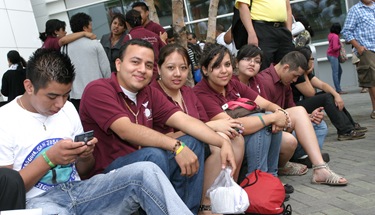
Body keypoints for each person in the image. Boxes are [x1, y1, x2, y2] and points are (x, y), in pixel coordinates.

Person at [0, 48, 193, 215]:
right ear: (29, 86)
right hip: (38, 203)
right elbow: (6, 192)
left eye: (66, 95)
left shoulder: (67, 109)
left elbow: (84, 170)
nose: (60, 104)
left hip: (79, 190)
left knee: (146, 171)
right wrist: (49, 159)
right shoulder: (5, 120)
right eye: (52, 96)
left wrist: (84, 156)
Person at [79, 39, 236, 214]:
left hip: (147, 161)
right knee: (154, 156)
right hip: (110, 176)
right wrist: (176, 147)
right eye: (135, 62)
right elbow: (126, 130)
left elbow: (185, 121)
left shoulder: (148, 93)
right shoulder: (98, 89)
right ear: (118, 63)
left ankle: (187, 210)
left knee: (193, 142)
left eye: (148, 65)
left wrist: (223, 143)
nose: (142, 70)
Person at [151, 44, 245, 213]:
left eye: (183, 68)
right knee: (218, 143)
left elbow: (202, 122)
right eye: (171, 68)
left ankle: (226, 195)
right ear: (158, 68)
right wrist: (211, 127)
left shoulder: (187, 92)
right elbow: (159, 137)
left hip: (196, 143)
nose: (178, 74)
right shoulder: (154, 94)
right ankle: (205, 205)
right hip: (169, 150)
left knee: (230, 137)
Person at [193, 43, 285, 179]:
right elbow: (231, 125)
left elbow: (265, 103)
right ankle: (257, 181)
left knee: (271, 120)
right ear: (205, 70)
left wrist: (280, 112)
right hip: (219, 141)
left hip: (238, 136)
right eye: (217, 66)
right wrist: (271, 118)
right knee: (264, 124)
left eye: (227, 65)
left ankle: (271, 180)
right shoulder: (201, 92)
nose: (224, 71)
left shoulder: (232, 83)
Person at [255, 50, 347, 185]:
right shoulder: (264, 80)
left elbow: (290, 109)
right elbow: (269, 116)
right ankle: (312, 165)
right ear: (286, 67)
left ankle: (313, 162)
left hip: (282, 126)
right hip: (269, 130)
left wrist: (309, 117)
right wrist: (295, 116)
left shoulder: (285, 82)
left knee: (320, 125)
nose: (295, 80)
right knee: (291, 137)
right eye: (295, 76)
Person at [234, 44, 308, 176]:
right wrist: (274, 117)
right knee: (267, 124)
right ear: (236, 62)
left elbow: (267, 105)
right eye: (247, 59)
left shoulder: (256, 81)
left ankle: (273, 176)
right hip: (241, 129)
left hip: (260, 124)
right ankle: (260, 179)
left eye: (257, 61)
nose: (252, 64)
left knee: (315, 124)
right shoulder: (232, 83)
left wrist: (279, 114)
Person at [294, 46, 366, 141]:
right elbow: (310, 93)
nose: (313, 61)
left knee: (330, 94)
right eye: (311, 59)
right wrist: (306, 74)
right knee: (326, 98)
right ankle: (345, 131)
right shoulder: (298, 75)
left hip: (302, 103)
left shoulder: (305, 73)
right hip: (295, 106)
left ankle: (351, 125)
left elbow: (323, 85)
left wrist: (337, 95)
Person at [64, 12, 111, 112]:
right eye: (90, 25)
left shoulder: (64, 47)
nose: (91, 28)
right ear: (85, 28)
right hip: (98, 92)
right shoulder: (95, 44)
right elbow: (106, 69)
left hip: (75, 96)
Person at [234, 0, 295, 71]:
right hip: (261, 28)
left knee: (288, 66)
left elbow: (287, 8)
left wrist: (289, 32)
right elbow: (243, 6)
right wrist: (251, 33)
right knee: (263, 68)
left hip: (282, 29)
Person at [341, 0, 375, 119]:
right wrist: (359, 47)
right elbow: (346, 31)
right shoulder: (355, 10)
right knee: (372, 80)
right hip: (367, 49)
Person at [123, 9, 165, 81]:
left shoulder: (129, 38)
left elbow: (124, 59)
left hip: (140, 76)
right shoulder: (154, 35)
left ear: (126, 24)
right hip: (157, 75)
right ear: (141, 20)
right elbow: (165, 52)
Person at [327, 23, 346, 94]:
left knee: (339, 71)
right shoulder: (335, 36)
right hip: (333, 55)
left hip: (331, 54)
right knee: (336, 72)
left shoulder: (330, 35)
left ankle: (338, 87)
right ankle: (338, 89)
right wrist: (340, 46)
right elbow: (335, 47)